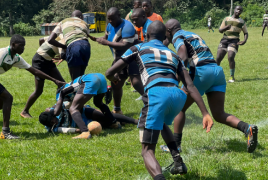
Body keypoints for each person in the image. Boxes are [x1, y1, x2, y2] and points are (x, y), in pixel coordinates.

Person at [105, 21, 213, 179]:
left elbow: (110, 71)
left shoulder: (138, 47)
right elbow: (190, 85)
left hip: (157, 94)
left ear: (147, 35)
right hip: (177, 95)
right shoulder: (174, 54)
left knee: (147, 150)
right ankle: (178, 162)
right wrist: (205, 113)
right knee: (159, 121)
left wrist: (113, 78)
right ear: (165, 38)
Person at [164, 19, 258, 153]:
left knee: (180, 108)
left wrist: (175, 78)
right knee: (219, 114)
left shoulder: (178, 36)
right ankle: (246, 128)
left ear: (169, 31)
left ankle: (176, 146)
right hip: (217, 72)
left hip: (202, 72)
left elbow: (183, 57)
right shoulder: (192, 33)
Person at [0, 34, 65, 139]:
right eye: (21, 46)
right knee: (8, 98)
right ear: (13, 44)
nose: (23, 48)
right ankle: (5, 132)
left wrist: (55, 80)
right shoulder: (3, 53)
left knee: (1, 102)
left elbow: (35, 71)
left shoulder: (16, 58)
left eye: (24, 46)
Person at [90, 7, 144, 115]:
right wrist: (97, 39)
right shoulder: (110, 25)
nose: (110, 21)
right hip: (118, 58)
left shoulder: (127, 26)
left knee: (136, 82)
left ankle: (154, 103)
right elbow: (106, 37)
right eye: (109, 19)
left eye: (112, 19)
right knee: (116, 83)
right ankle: (117, 109)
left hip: (132, 57)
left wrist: (106, 43)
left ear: (119, 16)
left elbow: (125, 45)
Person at [49, 73, 121, 139]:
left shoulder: (60, 93)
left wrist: (53, 111)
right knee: (98, 103)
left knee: (73, 109)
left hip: (89, 81)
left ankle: (84, 132)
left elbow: (58, 111)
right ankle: (114, 123)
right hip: (100, 78)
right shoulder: (69, 88)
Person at [20, 35, 66, 118]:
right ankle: (25, 111)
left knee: (62, 85)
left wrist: (44, 51)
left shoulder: (60, 35)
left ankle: (60, 107)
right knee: (39, 90)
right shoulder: (64, 40)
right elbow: (62, 55)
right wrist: (43, 52)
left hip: (48, 61)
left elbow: (41, 39)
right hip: (39, 61)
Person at [48, 10, 91, 81]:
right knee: (81, 76)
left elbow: (50, 39)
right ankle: (81, 90)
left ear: (71, 17)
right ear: (81, 17)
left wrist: (64, 47)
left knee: (75, 81)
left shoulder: (63, 22)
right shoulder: (84, 23)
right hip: (86, 46)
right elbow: (86, 36)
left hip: (73, 46)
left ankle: (76, 91)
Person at [216, 6, 248, 83]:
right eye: (237, 9)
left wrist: (244, 40)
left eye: (240, 10)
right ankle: (215, 75)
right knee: (218, 58)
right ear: (234, 10)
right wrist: (226, 28)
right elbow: (220, 30)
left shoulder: (242, 21)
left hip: (234, 41)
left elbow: (246, 33)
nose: (239, 11)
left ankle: (231, 77)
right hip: (224, 40)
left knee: (230, 57)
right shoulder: (226, 19)